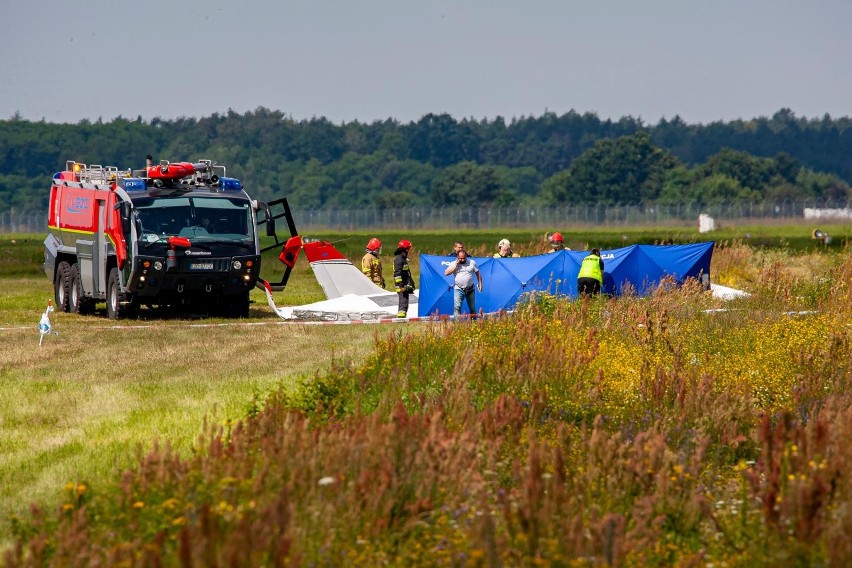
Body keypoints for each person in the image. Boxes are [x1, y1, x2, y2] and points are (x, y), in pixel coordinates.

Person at [444, 248, 483, 317]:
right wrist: (455, 265)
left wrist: (480, 283)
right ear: (457, 257)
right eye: (460, 258)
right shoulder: (453, 264)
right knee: (457, 308)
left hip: (470, 289)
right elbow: (446, 273)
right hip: (458, 289)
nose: (462, 260)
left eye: (463, 258)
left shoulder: (472, 263)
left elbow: (478, 273)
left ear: (466, 257)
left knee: (472, 308)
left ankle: (474, 323)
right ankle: (457, 325)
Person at [393, 239, 415, 318]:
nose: (409, 251)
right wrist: (401, 285)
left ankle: (402, 315)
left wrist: (410, 283)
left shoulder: (403, 259)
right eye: (408, 249)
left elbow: (406, 273)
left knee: (405, 300)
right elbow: (397, 273)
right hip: (401, 285)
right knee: (403, 301)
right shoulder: (399, 259)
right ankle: (401, 317)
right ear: (405, 249)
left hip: (404, 284)